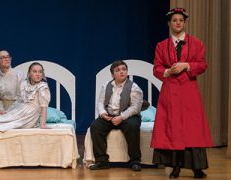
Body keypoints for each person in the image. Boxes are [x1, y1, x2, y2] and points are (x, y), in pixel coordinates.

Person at [150, 8, 213, 178]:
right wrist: (168, 71)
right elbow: (156, 68)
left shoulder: (197, 43)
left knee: (192, 129)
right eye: (174, 20)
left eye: (180, 20)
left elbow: (202, 65)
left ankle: (196, 168)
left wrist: (186, 65)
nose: (177, 23)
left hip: (189, 91)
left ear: (184, 23)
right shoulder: (161, 46)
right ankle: (175, 167)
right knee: (173, 129)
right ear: (169, 24)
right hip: (170, 91)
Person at [0, 62, 51, 168]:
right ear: (29, 73)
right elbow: (19, 102)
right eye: (34, 71)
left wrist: (42, 125)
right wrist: (8, 111)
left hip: (29, 116)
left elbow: (44, 107)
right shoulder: (25, 84)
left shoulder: (43, 87)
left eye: (40, 72)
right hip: (20, 111)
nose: (38, 74)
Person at [89, 60, 143, 171]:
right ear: (113, 74)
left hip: (128, 115)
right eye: (118, 70)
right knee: (95, 127)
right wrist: (103, 113)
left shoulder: (134, 87)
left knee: (132, 126)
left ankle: (135, 161)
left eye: (124, 69)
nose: (122, 72)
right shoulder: (107, 85)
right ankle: (102, 161)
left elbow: (135, 107)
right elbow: (100, 102)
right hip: (110, 115)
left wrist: (121, 117)